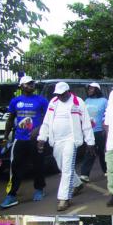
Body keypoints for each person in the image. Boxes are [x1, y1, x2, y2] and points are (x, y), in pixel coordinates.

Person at [38, 82, 95, 211]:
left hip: (71, 140)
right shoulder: (53, 101)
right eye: (58, 94)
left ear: (68, 91)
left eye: (62, 94)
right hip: (56, 141)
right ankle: (77, 184)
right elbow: (46, 122)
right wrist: (42, 137)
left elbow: (86, 123)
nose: (60, 97)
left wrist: (90, 142)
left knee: (67, 169)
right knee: (62, 167)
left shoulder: (78, 102)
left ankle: (64, 199)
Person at [0, 76, 48, 209]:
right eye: (28, 83)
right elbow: (10, 120)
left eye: (32, 82)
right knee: (16, 167)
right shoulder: (16, 101)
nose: (31, 85)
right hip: (20, 139)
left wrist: (38, 129)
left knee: (38, 165)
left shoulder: (41, 100)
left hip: (36, 139)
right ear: (21, 87)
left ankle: (39, 189)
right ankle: (11, 195)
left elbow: (48, 118)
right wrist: (5, 138)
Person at [80, 82, 108, 182]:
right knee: (89, 151)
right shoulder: (86, 100)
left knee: (102, 152)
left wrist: (106, 128)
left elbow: (107, 114)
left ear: (97, 89)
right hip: (89, 131)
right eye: (89, 89)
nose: (89, 90)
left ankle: (107, 170)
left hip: (100, 130)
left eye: (92, 89)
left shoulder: (104, 101)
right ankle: (84, 174)